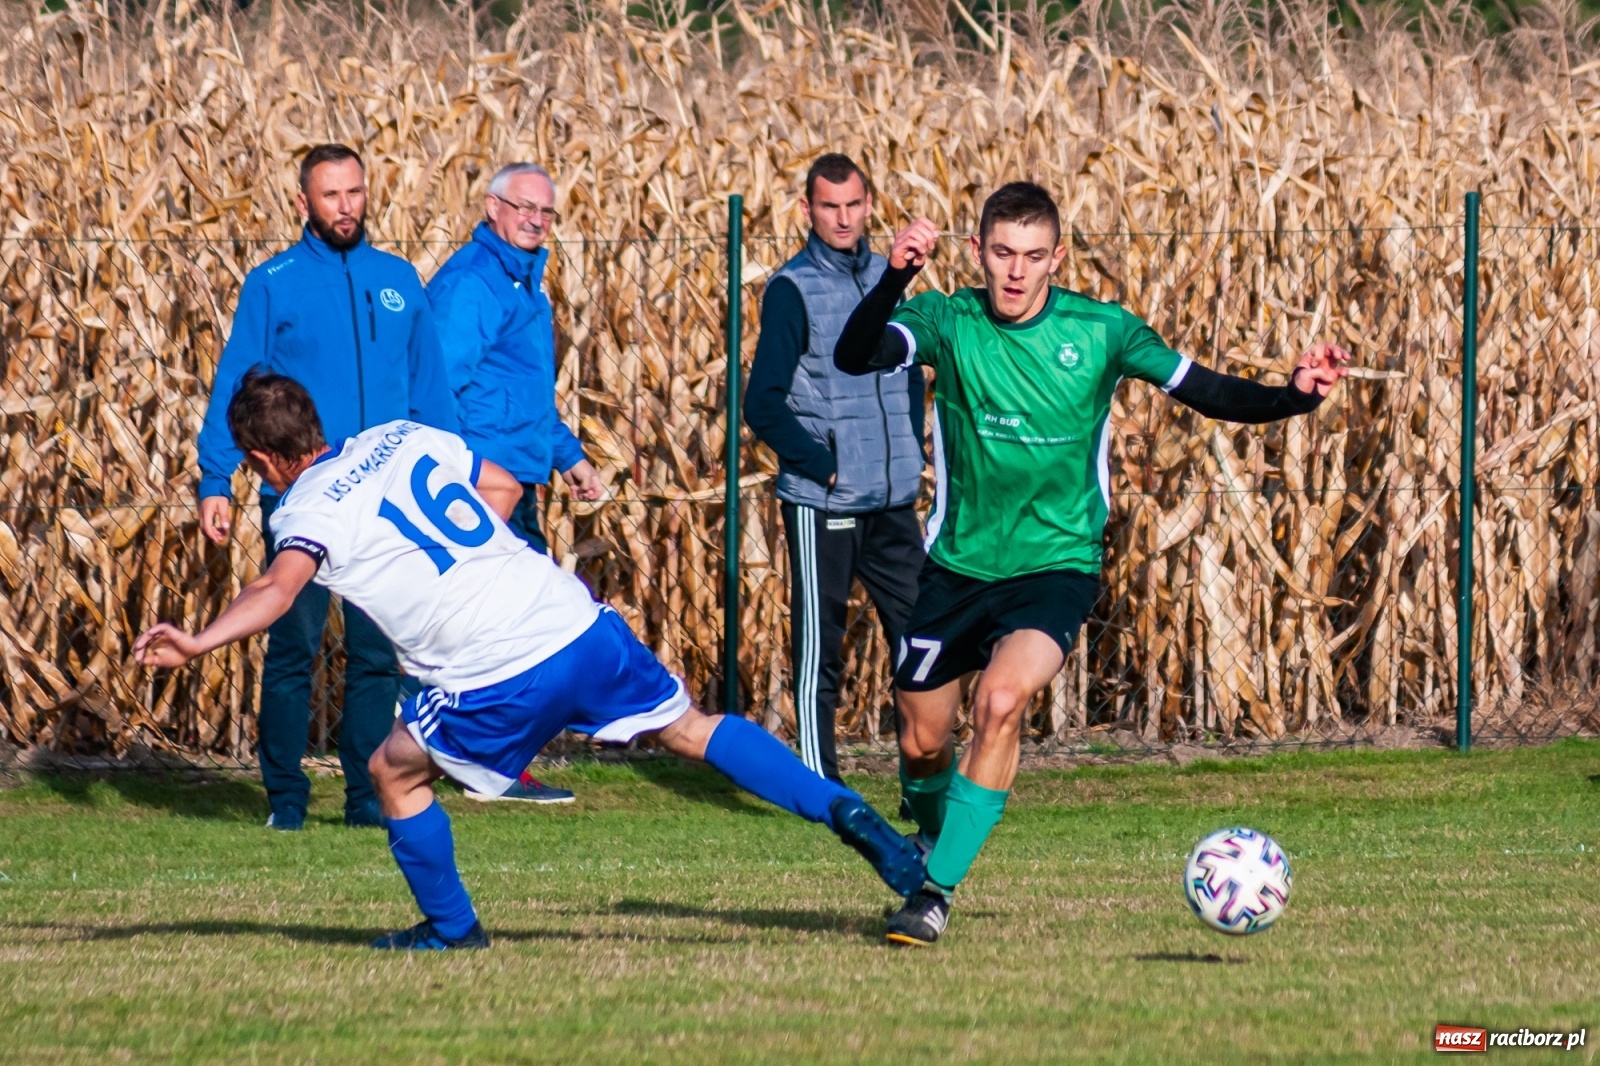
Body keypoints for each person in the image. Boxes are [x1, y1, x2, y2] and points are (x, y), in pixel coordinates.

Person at [135, 371, 926, 950]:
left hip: (493, 672)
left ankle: (452, 933)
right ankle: (854, 817)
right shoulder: (400, 437)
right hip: (571, 620)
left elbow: (279, 589)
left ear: (263, 459)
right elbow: (503, 485)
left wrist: (198, 640)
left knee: (391, 772)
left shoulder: (306, 507)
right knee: (692, 728)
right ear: (314, 421)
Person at [833, 182, 1351, 946]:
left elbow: (1206, 391)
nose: (1015, 272)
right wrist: (894, 277)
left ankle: (935, 890)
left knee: (1002, 703)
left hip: (1055, 567)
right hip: (956, 568)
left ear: (1057, 259)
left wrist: (1293, 398)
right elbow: (854, 355)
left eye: (1033, 257)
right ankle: (931, 842)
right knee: (920, 740)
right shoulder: (946, 318)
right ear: (978, 252)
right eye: (1002, 253)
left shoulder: (1102, 331)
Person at [196, 144, 458, 831]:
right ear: (304, 203)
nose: (346, 207)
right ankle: (285, 800)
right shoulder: (273, 282)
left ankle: (368, 798)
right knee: (293, 649)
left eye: (355, 192)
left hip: (388, 503)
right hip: (303, 496)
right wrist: (216, 476)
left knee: (377, 654)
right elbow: (236, 383)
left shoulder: (399, 280)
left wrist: (452, 471)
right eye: (331, 195)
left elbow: (431, 389)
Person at [745, 153, 926, 783]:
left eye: (853, 205)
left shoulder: (888, 276)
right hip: (826, 502)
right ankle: (821, 783)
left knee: (922, 642)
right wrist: (822, 464)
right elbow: (761, 402)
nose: (843, 217)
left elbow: (906, 373)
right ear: (807, 211)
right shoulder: (792, 289)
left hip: (893, 497)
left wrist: (913, 449)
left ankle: (921, 779)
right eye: (829, 206)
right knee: (823, 647)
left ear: (869, 205)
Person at [426, 162, 604, 804]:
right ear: (492, 207)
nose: (535, 219)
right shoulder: (474, 283)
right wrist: (460, 477)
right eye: (524, 207)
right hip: (481, 486)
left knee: (513, 623)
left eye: (546, 211)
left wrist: (570, 457)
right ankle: (486, 765)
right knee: (503, 625)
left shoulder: (527, 288)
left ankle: (478, 759)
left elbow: (529, 396)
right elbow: (438, 386)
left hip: (518, 477)